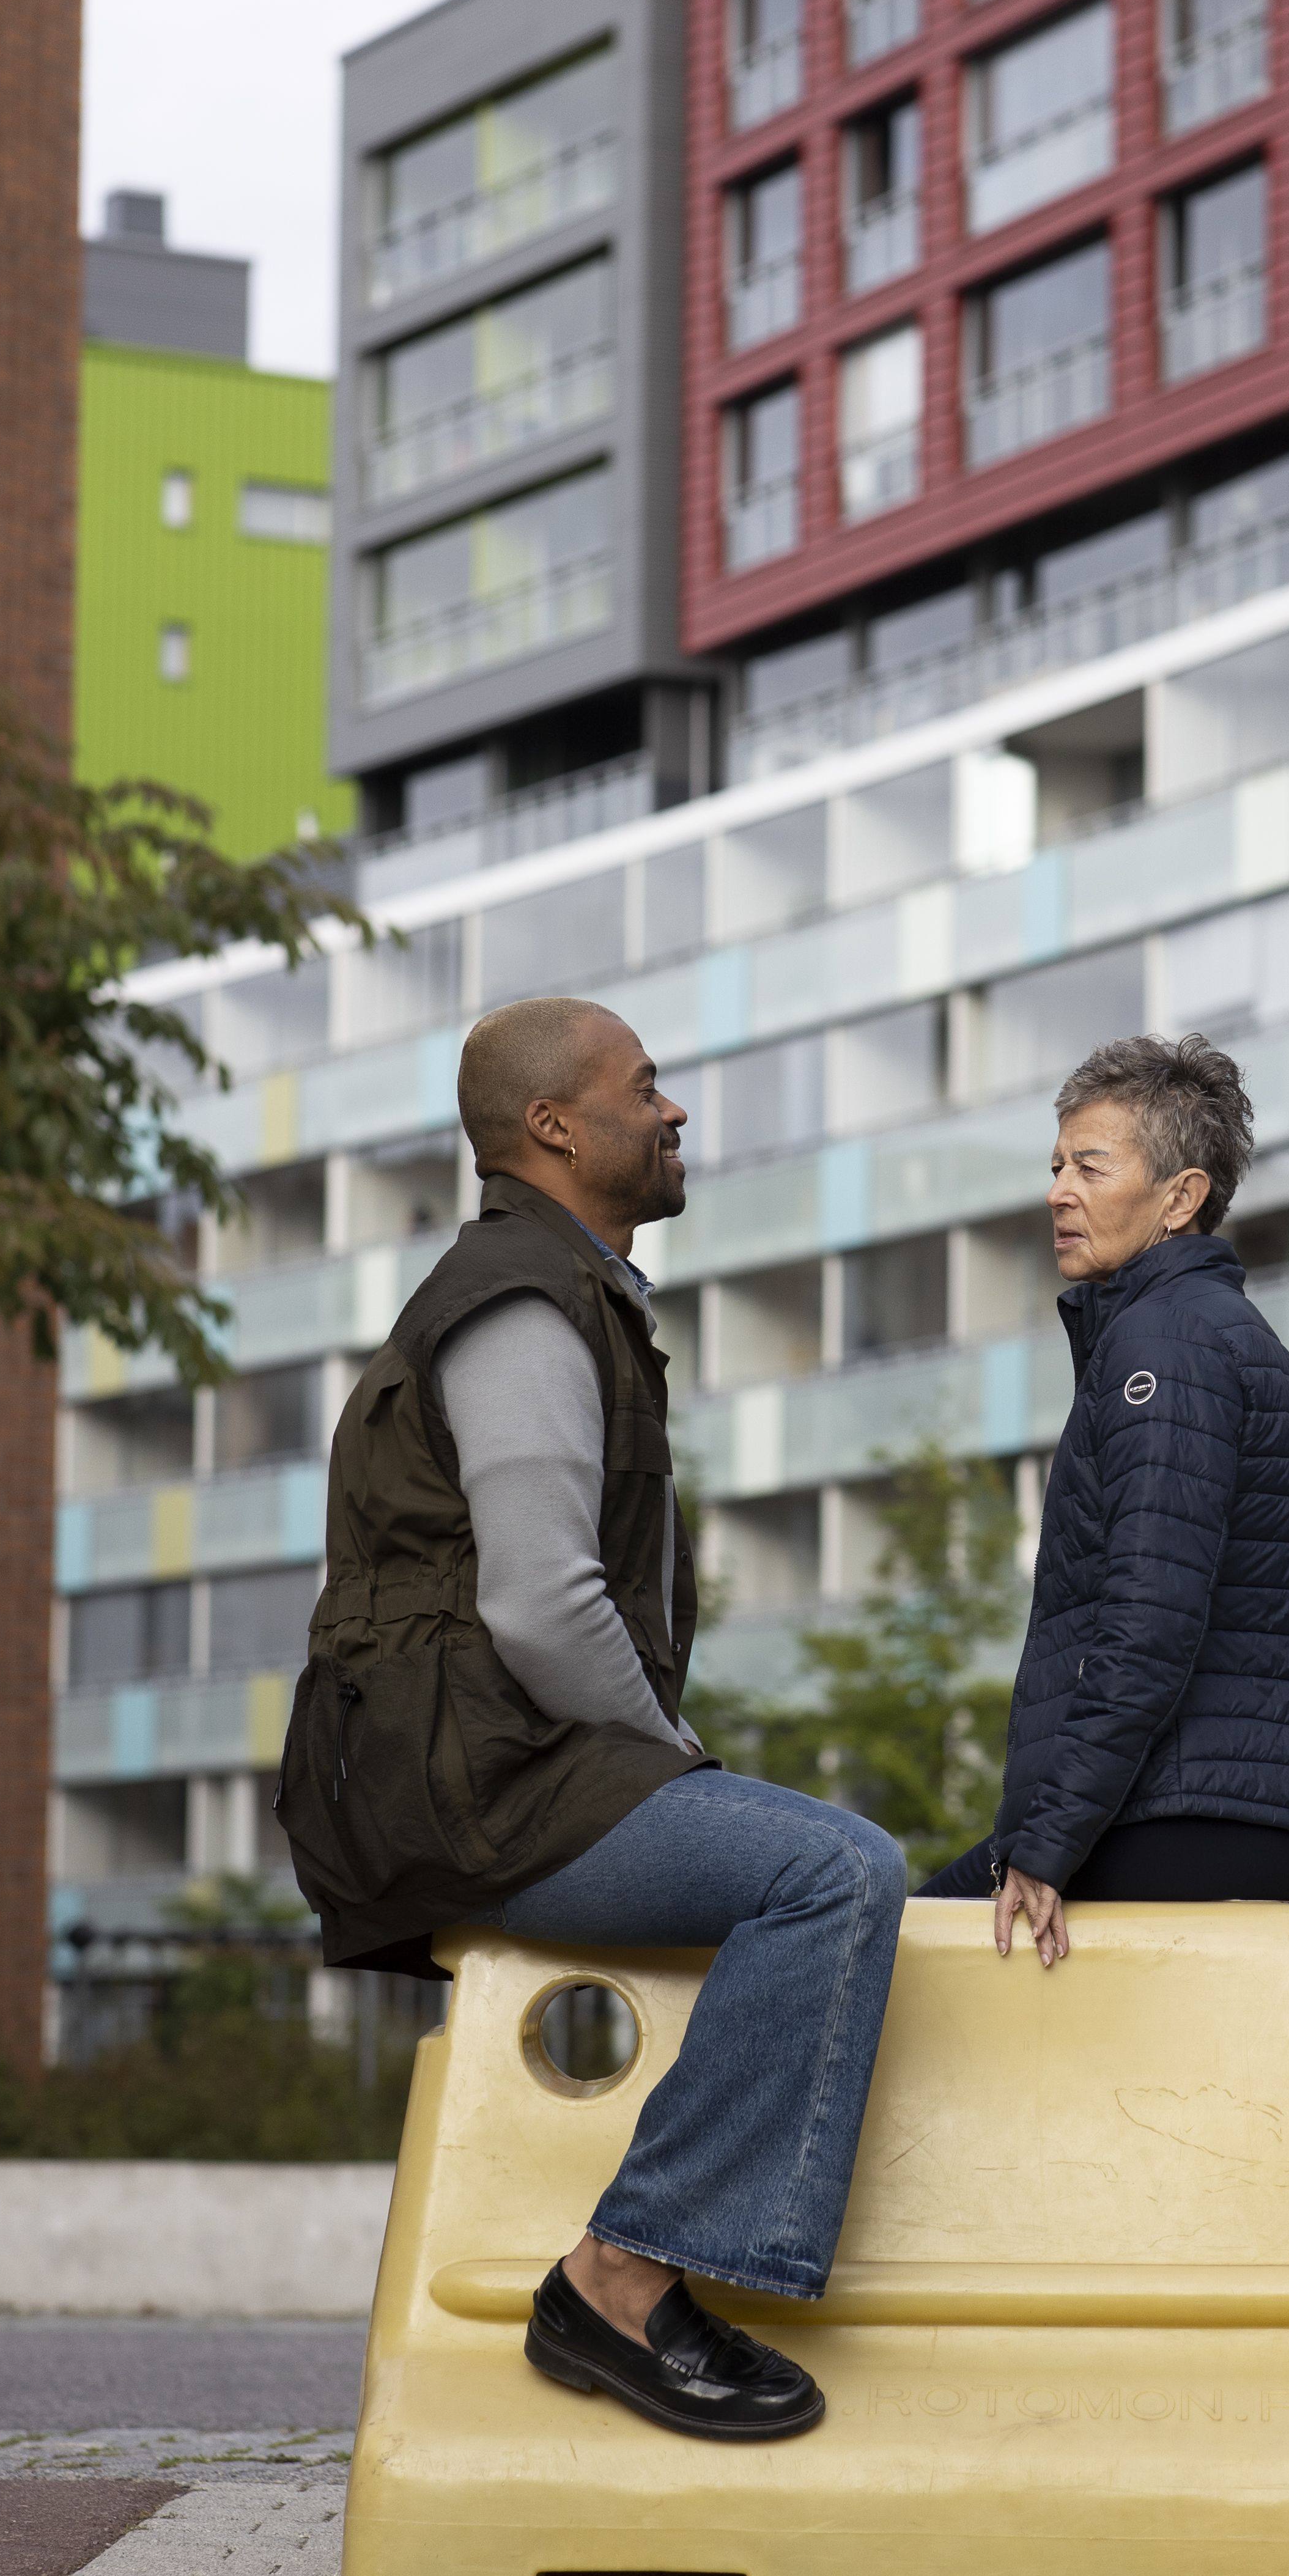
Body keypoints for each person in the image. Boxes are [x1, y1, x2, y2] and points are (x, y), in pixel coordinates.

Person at [276, 996, 906, 2443]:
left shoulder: (565, 1289)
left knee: (814, 1863)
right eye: (647, 1088)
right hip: (477, 1784)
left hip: (486, 1767)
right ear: (553, 1126)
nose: (675, 1113)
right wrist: (676, 1765)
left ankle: (642, 2266)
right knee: (832, 1871)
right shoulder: (518, 1298)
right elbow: (546, 1608)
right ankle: (620, 2281)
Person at [922, 1034, 1289, 1962]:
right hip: (1256, 1816)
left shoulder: (1166, 1345)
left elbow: (1150, 1620)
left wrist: (1046, 1846)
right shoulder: (1213, 1333)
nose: (1058, 1191)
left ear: (1181, 1196)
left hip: (1194, 1816)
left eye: (1090, 1166)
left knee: (892, 1940)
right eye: (1056, 1166)